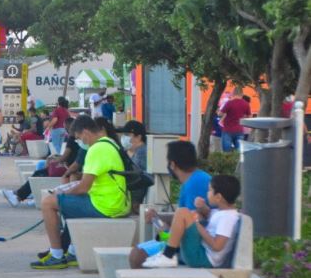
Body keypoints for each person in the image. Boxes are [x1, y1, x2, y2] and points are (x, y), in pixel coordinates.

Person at [31, 115, 130, 270]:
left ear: (85, 132)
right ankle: (73, 251)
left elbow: (84, 187)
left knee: (48, 203)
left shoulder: (96, 149)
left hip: (104, 205)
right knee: (69, 202)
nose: (79, 142)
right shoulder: (109, 143)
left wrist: (61, 194)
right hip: (114, 201)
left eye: (78, 138)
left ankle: (56, 255)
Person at [133, 175, 241, 269]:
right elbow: (210, 215)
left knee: (183, 212)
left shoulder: (228, 218)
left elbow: (217, 246)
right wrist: (202, 207)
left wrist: (197, 224)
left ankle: (168, 255)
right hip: (200, 251)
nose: (207, 193)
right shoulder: (221, 212)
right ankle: (166, 241)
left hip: (203, 258)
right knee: (189, 213)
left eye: (210, 190)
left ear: (218, 197)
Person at [117, 120, 149, 210]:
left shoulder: (142, 153)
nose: (123, 137)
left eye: (127, 135)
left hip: (135, 202)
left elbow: (141, 180)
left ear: (138, 137)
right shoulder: (127, 151)